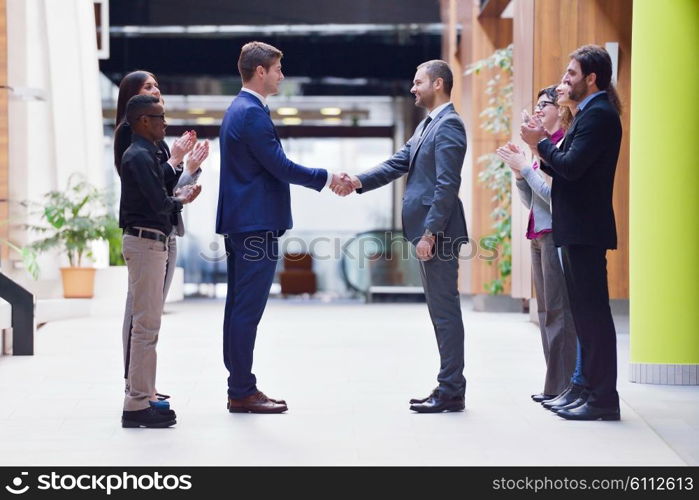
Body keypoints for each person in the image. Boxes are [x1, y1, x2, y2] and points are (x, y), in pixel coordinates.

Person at [216, 41, 350, 414]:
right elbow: (280, 165)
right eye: (277, 69)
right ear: (260, 72)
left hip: (244, 223)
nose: (281, 75)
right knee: (247, 310)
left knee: (238, 308)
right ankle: (242, 390)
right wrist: (326, 177)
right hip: (255, 224)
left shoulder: (239, 110)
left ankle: (239, 386)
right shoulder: (251, 113)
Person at [336, 60, 468, 413]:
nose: (412, 88)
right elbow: (398, 163)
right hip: (429, 234)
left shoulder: (449, 124)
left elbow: (447, 186)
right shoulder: (428, 125)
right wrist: (358, 182)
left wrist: (430, 233)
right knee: (440, 311)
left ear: (438, 84)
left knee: (445, 312)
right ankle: (449, 386)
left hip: (437, 234)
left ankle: (452, 390)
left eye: (418, 82)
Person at [520, 45, 622, 421]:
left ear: (591, 78)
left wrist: (538, 144)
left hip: (586, 229)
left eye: (571, 74)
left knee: (593, 316)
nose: (565, 79)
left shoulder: (600, 115)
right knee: (584, 315)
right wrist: (542, 146)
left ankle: (602, 399)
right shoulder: (588, 113)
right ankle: (586, 389)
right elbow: (567, 166)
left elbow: (571, 167)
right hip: (575, 227)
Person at [114, 70, 209, 407]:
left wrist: (189, 168)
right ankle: (137, 390)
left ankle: (142, 387)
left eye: (157, 85)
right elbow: (154, 191)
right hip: (146, 235)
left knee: (149, 318)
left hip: (162, 231)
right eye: (148, 87)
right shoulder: (133, 144)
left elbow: (164, 186)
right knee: (143, 319)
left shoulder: (151, 141)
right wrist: (178, 165)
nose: (157, 90)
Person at [496, 86, 576, 404]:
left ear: (562, 110)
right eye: (538, 104)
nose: (540, 109)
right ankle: (554, 385)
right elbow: (532, 199)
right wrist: (519, 173)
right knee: (545, 313)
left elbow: (556, 200)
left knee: (560, 314)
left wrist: (526, 166)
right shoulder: (543, 150)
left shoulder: (560, 147)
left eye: (546, 104)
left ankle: (565, 387)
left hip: (557, 234)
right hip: (539, 235)